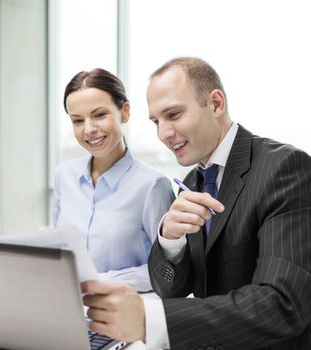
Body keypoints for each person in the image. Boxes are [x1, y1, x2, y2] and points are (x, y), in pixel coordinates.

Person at [82, 57, 311, 349]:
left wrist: (148, 319)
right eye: (156, 121)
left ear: (215, 104)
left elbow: (282, 305)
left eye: (174, 114)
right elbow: (172, 288)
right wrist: (169, 241)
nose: (163, 133)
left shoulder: (284, 168)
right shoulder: (191, 183)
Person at [53, 68, 175, 292]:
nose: (89, 129)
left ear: (124, 112)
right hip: (67, 308)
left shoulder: (152, 186)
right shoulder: (64, 176)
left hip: (124, 314)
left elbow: (169, 270)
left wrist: (96, 283)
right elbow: (59, 252)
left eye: (99, 115)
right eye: (77, 121)